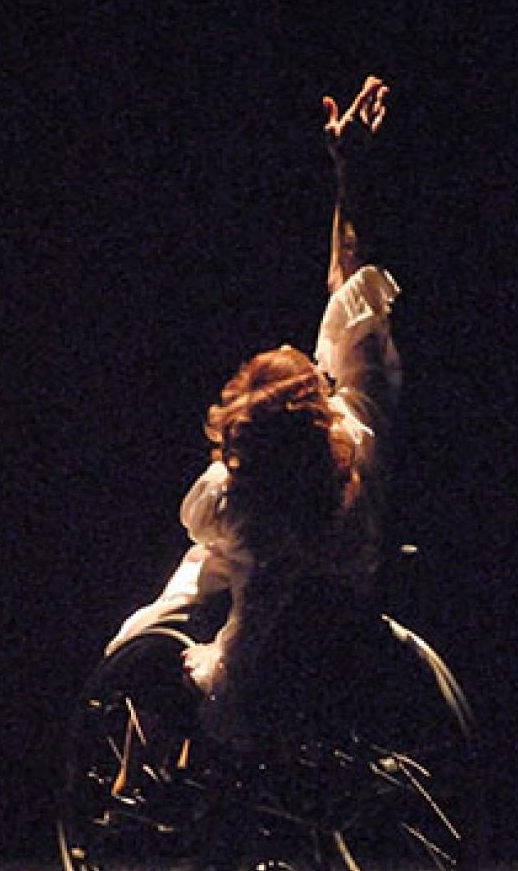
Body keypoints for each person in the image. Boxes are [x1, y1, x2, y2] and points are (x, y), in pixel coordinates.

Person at [105, 76, 401, 740]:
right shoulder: (362, 437)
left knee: (140, 640)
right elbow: (353, 291)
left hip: (252, 655)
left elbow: (199, 521)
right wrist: (352, 172)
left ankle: (143, 756)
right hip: (339, 621)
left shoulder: (236, 502)